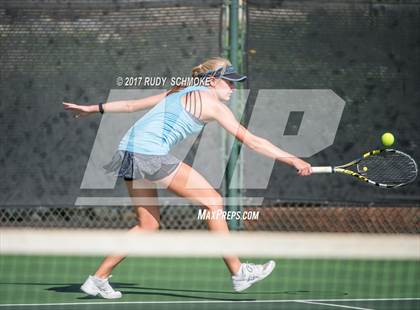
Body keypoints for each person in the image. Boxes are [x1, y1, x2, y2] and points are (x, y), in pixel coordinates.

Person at [63, 57, 312, 299]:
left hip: (127, 151)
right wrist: (292, 159)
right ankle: (239, 272)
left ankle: (98, 278)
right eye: (229, 82)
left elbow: (132, 106)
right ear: (213, 81)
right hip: (149, 154)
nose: (233, 88)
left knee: (148, 225)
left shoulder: (178, 90)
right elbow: (253, 141)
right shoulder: (213, 105)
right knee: (213, 202)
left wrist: (92, 109)